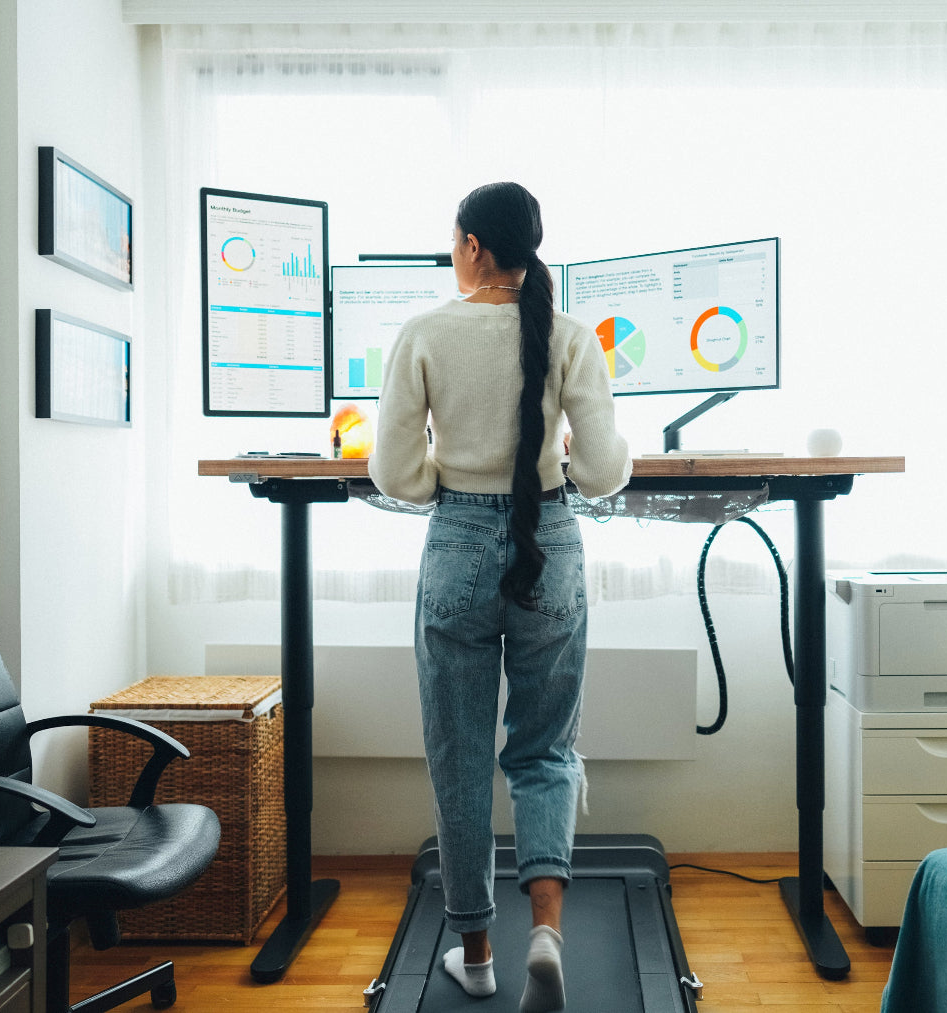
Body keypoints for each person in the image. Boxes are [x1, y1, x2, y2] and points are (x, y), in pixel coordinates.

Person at [369, 182, 631, 1012]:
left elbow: (399, 477)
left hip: (457, 548)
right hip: (547, 540)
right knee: (546, 750)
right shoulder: (569, 335)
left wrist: (453, 469)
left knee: (460, 755)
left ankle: (476, 955)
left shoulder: (424, 332)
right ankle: (547, 934)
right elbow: (601, 472)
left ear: (476, 247)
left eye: (453, 240)